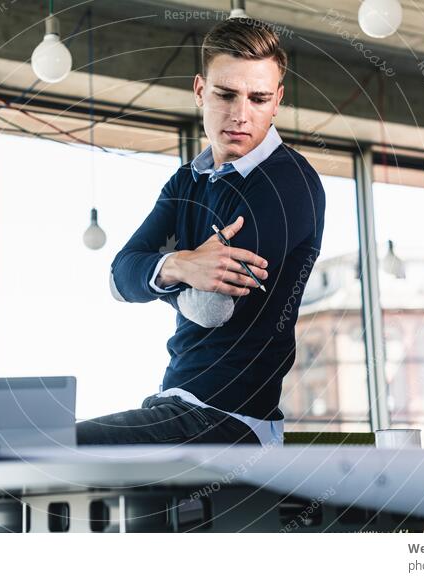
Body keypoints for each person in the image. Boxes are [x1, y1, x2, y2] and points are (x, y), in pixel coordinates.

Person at [76, 17, 325, 447]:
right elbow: (118, 278)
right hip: (174, 405)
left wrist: (158, 272)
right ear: (199, 91)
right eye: (225, 94)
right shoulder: (186, 182)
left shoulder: (286, 183)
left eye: (259, 98)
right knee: (41, 460)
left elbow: (212, 309)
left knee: (56, 448)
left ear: (277, 100)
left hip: (234, 422)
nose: (240, 115)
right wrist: (185, 264)